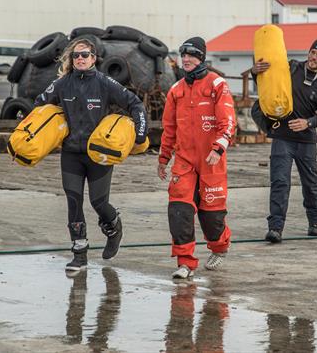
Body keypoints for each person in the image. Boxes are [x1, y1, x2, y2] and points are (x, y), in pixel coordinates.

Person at [35, 36, 148, 272]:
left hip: (98, 153)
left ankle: (114, 227)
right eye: (76, 55)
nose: (80, 59)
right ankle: (79, 252)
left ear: (94, 58)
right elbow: (40, 105)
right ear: (71, 59)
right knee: (73, 201)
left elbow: (135, 104)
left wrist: (140, 133)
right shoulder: (63, 83)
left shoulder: (105, 82)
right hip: (71, 153)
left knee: (99, 202)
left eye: (85, 55)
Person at [158, 37, 236, 279]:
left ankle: (220, 246)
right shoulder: (176, 90)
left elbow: (228, 123)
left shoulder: (217, 84)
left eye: (192, 55)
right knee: (179, 210)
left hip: (211, 159)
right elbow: (169, 128)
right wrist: (163, 158)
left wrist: (218, 148)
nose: (187, 59)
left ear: (201, 57)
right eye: (184, 55)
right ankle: (185, 262)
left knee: (211, 215)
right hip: (184, 160)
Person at [253, 38, 317, 243]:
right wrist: (255, 72)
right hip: (282, 137)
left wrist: (308, 123)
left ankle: (315, 223)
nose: (313, 57)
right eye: (312, 52)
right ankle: (276, 228)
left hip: (306, 140)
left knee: (311, 184)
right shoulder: (292, 68)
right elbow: (269, 83)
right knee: (280, 182)